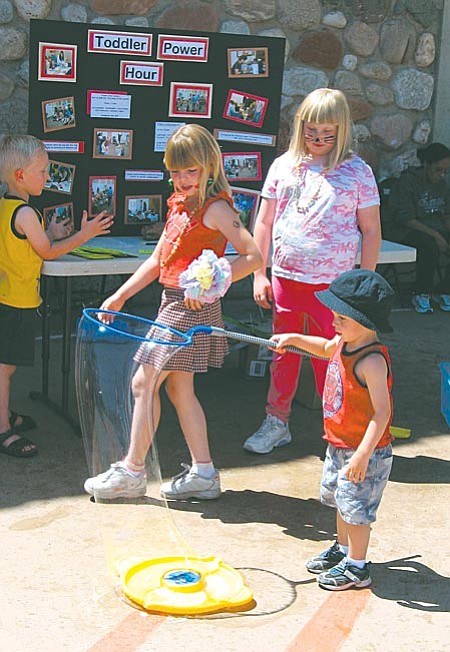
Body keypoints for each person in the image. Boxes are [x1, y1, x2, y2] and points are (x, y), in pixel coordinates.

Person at [84, 124, 262, 501]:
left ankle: (133, 471)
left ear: (209, 166)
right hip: (171, 302)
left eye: (190, 171)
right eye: (175, 172)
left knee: (143, 383)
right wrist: (120, 296)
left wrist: (213, 282)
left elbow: (253, 255)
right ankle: (204, 473)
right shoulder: (180, 205)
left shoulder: (215, 208)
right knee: (180, 389)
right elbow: (157, 259)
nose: (182, 180)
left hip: (190, 308)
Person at [243, 88, 381, 454]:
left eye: (328, 134)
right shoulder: (283, 166)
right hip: (286, 280)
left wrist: (362, 290)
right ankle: (276, 421)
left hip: (335, 289)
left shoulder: (357, 172)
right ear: (300, 127)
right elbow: (264, 222)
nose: (318, 140)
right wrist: (260, 272)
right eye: (312, 132)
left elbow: (371, 230)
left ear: (343, 130)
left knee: (334, 360)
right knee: (283, 353)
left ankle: (338, 433)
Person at [270, 269, 394, 590]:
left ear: (364, 320)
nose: (334, 322)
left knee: (357, 511)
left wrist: (363, 456)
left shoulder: (371, 361)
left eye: (341, 317)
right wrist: (293, 339)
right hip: (339, 444)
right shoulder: (344, 341)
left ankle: (358, 567)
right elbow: (325, 348)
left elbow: (382, 413)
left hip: (364, 451)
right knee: (342, 501)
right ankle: (342, 550)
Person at [0, 135, 113, 458]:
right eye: (43, 172)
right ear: (21, 175)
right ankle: (3, 430)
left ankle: (5, 415)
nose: (48, 178)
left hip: (8, 297)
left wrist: (51, 233)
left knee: (5, 366)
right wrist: (83, 235)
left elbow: (26, 245)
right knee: (4, 369)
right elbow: (47, 253)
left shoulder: (8, 208)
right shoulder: (25, 213)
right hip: (16, 302)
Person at [388, 142, 450, 314]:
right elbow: (405, 218)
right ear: (426, 164)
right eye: (438, 169)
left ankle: (444, 290)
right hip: (406, 230)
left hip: (433, 227)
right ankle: (421, 292)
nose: (441, 174)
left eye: (445, 170)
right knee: (428, 245)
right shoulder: (408, 181)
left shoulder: (442, 185)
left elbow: (445, 213)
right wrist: (437, 235)